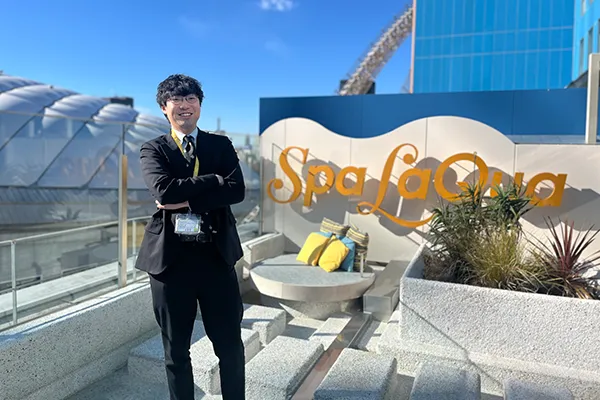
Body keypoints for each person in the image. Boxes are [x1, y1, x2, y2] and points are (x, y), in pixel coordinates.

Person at [135, 74, 246, 400]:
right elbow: (163, 191)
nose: (185, 105)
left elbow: (236, 190)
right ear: (164, 107)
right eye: (176, 100)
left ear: (200, 105)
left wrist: (185, 201)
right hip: (170, 264)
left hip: (216, 258)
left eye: (191, 99)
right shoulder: (153, 148)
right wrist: (213, 180)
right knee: (176, 351)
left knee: (230, 346)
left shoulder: (220, 145)